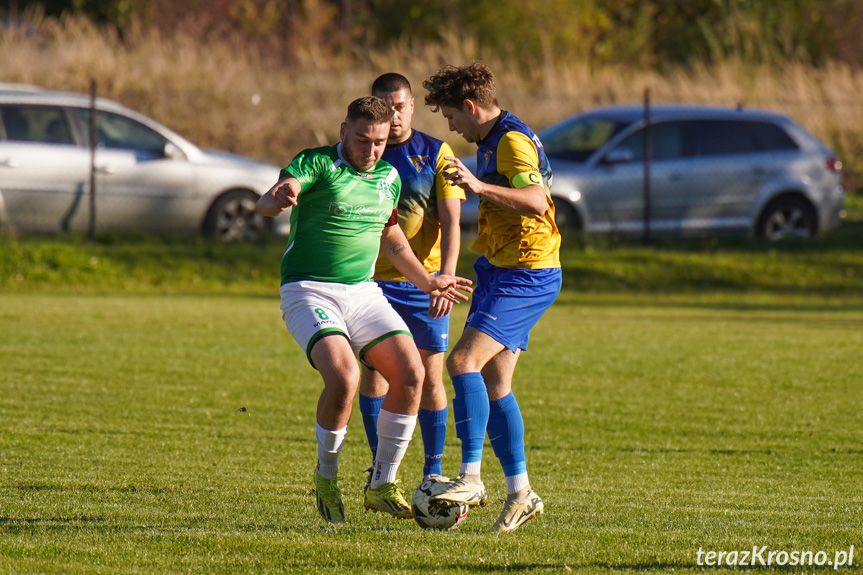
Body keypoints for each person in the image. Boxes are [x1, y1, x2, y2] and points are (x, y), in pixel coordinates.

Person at [256, 96, 472, 524]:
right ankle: (327, 476)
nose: (370, 151)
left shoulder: (389, 177)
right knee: (346, 377)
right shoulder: (316, 163)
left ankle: (381, 485)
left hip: (362, 292)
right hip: (309, 291)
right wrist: (278, 197)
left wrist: (429, 281)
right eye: (361, 140)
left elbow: (391, 239)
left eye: (378, 142)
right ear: (343, 132)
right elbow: (275, 195)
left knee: (412, 374)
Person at [422, 62, 562, 533]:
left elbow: (538, 201)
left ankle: (471, 478)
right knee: (495, 383)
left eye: (450, 117)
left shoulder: (511, 141)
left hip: (528, 272)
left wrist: (479, 187)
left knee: (462, 362)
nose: (451, 128)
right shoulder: (492, 139)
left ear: (469, 106)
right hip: (503, 268)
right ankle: (521, 491)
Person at [358, 73, 465, 484]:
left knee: (431, 376)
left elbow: (453, 222)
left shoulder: (435, 152)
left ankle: (432, 471)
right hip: (373, 284)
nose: (394, 116)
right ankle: (380, 468)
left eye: (400, 107)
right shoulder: (364, 154)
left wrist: (447, 276)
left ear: (412, 107)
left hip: (427, 285)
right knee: (376, 374)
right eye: (385, 107)